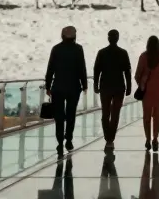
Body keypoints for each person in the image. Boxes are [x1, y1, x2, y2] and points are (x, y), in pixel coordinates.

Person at [44, 25, 87, 154]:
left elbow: (50, 69)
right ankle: (69, 139)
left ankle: (59, 141)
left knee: (59, 115)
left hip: (58, 88)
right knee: (70, 114)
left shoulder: (56, 49)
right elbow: (82, 68)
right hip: (73, 88)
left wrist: (48, 86)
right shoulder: (78, 49)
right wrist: (84, 85)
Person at [93, 29, 131, 150]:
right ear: (118, 38)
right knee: (115, 114)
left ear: (108, 38)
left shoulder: (102, 53)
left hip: (105, 86)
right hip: (119, 87)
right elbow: (127, 71)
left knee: (105, 113)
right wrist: (129, 86)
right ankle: (111, 138)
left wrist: (95, 84)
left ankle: (107, 137)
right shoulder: (123, 53)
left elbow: (96, 70)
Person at [135, 35, 159, 151]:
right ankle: (155, 139)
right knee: (157, 115)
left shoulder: (143, 57)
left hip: (147, 90)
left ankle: (147, 140)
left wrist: (141, 85)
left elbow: (137, 75)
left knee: (146, 116)